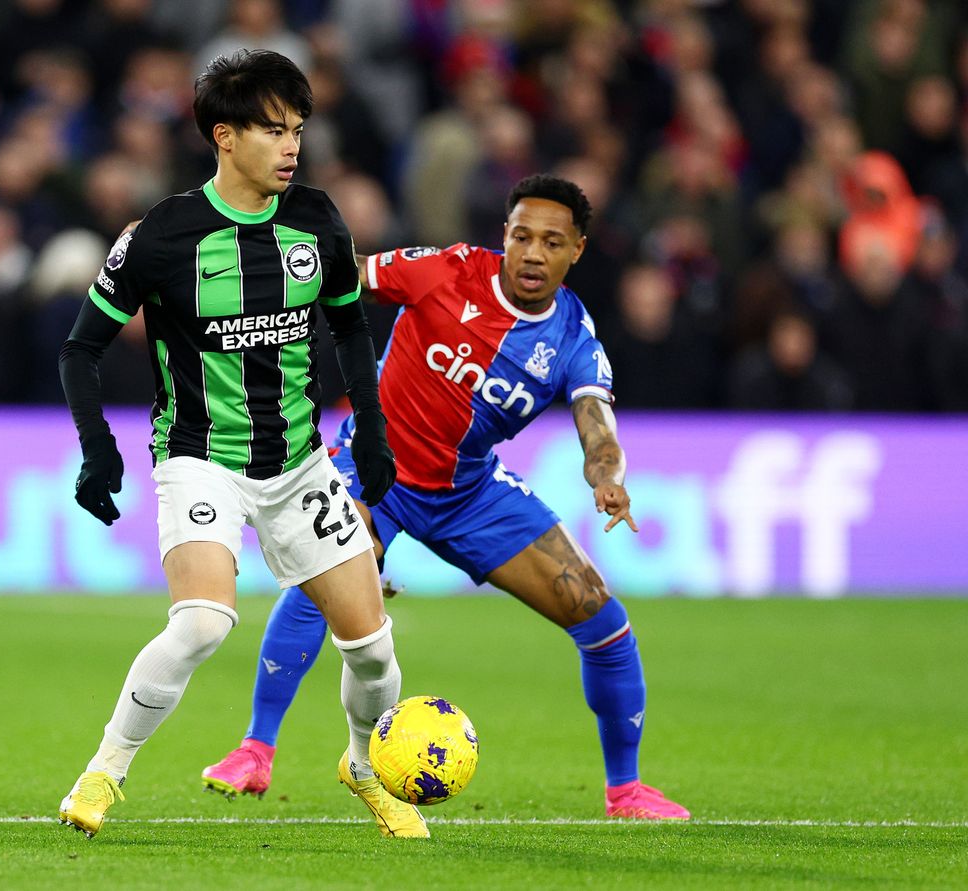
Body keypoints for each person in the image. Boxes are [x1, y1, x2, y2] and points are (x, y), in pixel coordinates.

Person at [201, 174, 691, 820]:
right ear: (505, 237)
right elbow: (339, 275)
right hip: (374, 470)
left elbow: (597, 423)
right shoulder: (446, 271)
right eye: (521, 237)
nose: (533, 254)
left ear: (577, 249)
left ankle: (625, 791)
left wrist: (607, 475)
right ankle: (256, 750)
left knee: (603, 619)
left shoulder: (572, 337)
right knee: (326, 573)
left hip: (468, 492)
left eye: (551, 242)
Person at [56, 50, 429, 840]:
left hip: (299, 463)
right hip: (201, 457)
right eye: (271, 129)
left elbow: (352, 326)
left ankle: (364, 764)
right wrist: (97, 447)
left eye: (297, 129)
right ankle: (103, 771)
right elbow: (79, 348)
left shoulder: (318, 219)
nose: (291, 145)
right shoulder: (162, 235)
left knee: (372, 647)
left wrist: (372, 431)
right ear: (224, 137)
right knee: (200, 622)